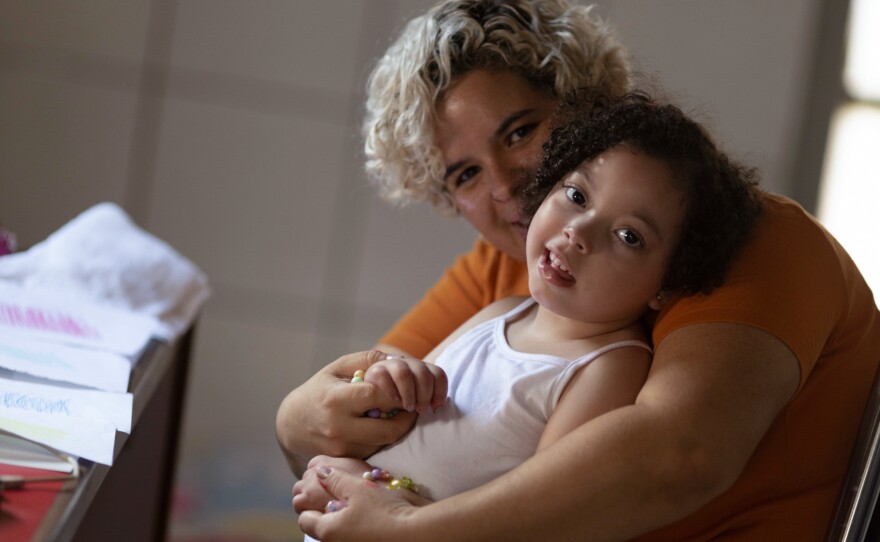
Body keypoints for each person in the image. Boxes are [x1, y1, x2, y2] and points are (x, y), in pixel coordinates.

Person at [276, 0, 880, 540]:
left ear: (587, 104)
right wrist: (297, 420)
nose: (506, 186)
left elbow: (678, 459)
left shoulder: (762, 244)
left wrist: (410, 531)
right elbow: (356, 420)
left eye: (520, 131)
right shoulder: (505, 276)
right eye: (465, 175)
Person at [293, 90, 765, 514]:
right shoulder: (502, 313)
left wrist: (385, 496)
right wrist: (394, 380)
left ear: (669, 282)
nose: (578, 232)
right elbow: (393, 426)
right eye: (577, 195)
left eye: (628, 235)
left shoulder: (606, 368)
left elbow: (538, 515)